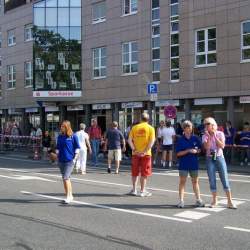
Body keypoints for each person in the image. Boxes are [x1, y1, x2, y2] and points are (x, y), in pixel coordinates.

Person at [202, 117, 237, 209]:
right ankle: (214, 200)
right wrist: (209, 137)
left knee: (224, 178)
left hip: (219, 157)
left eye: (208, 124)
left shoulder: (220, 133)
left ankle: (230, 201)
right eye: (205, 124)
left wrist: (214, 136)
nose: (206, 126)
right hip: (210, 158)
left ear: (213, 125)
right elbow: (207, 147)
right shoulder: (204, 135)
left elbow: (222, 146)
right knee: (212, 179)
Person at [175, 120, 204, 208]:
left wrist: (197, 151)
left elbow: (200, 150)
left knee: (195, 182)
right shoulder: (180, 139)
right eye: (187, 128)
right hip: (183, 164)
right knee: (182, 182)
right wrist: (188, 150)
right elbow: (178, 154)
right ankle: (181, 201)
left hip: (194, 164)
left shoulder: (196, 138)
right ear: (184, 129)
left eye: (190, 128)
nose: (189, 130)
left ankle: (198, 199)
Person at [128, 113, 155, 197]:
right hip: (146, 154)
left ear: (140, 119)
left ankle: (134, 190)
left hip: (135, 154)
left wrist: (134, 150)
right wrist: (145, 151)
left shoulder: (134, 127)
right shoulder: (151, 128)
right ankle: (142, 191)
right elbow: (151, 142)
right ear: (148, 119)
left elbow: (129, 140)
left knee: (134, 172)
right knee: (144, 173)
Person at [56, 120, 80, 204]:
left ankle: (68, 197)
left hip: (70, 161)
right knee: (66, 178)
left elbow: (77, 148)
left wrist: (74, 159)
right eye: (61, 126)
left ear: (67, 127)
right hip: (61, 160)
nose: (61, 127)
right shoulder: (60, 136)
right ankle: (70, 195)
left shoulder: (73, 136)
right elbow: (58, 147)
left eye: (63, 126)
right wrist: (56, 154)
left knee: (66, 178)